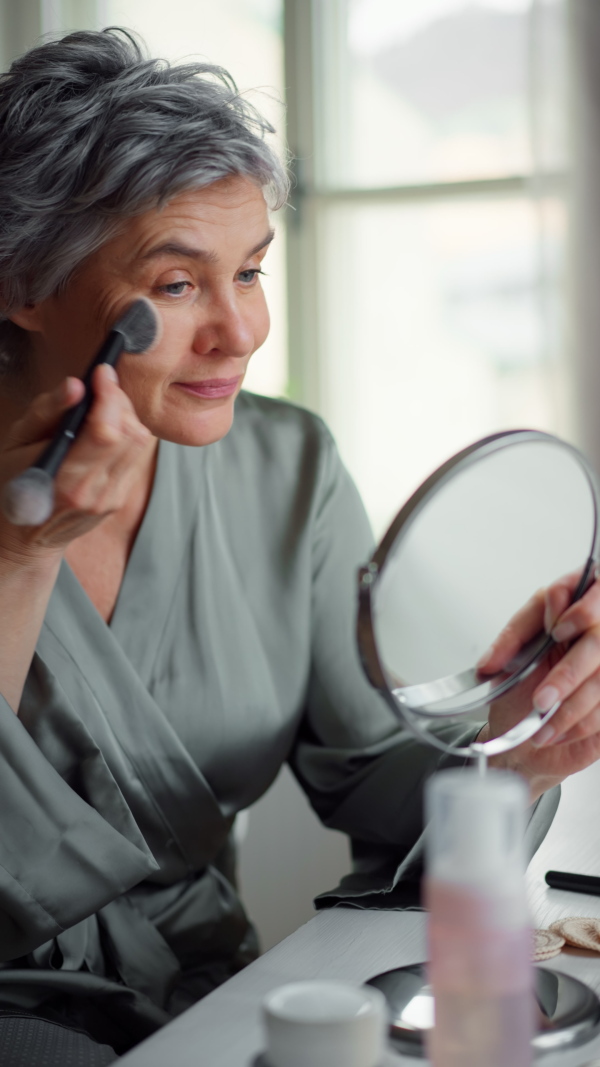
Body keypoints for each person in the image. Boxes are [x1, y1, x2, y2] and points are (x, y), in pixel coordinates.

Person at [1, 26, 600, 1064]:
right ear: (22, 284)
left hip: (220, 994)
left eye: (252, 270)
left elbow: (369, 772)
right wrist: (19, 559)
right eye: (179, 284)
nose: (240, 330)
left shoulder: (287, 470)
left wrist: (512, 745)